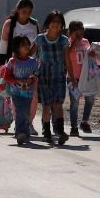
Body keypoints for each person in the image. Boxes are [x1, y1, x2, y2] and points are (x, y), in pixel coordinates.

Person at [33, 11, 69, 144]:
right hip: (44, 75)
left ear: (61, 25)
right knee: (47, 105)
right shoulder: (40, 39)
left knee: (58, 104)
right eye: (53, 21)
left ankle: (60, 131)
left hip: (59, 75)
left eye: (58, 22)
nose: (55, 24)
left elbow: (67, 60)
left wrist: (72, 76)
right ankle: (46, 132)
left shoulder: (64, 40)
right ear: (48, 23)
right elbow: (31, 55)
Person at [65, 19, 100, 136]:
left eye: (81, 32)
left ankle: (85, 121)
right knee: (75, 103)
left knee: (90, 99)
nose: (79, 35)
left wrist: (93, 54)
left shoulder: (86, 42)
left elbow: (89, 55)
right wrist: (74, 42)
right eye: (76, 33)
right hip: (74, 78)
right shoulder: (68, 43)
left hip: (87, 78)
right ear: (70, 33)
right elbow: (67, 54)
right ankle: (74, 127)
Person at [0, 35, 41, 146]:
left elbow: (37, 74)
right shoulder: (12, 62)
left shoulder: (33, 62)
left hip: (29, 93)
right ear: (17, 48)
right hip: (16, 93)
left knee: (26, 113)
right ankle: (20, 133)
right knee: (20, 112)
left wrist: (31, 80)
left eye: (27, 44)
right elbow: (6, 77)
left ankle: (24, 134)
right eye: (23, 45)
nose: (26, 46)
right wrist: (18, 80)